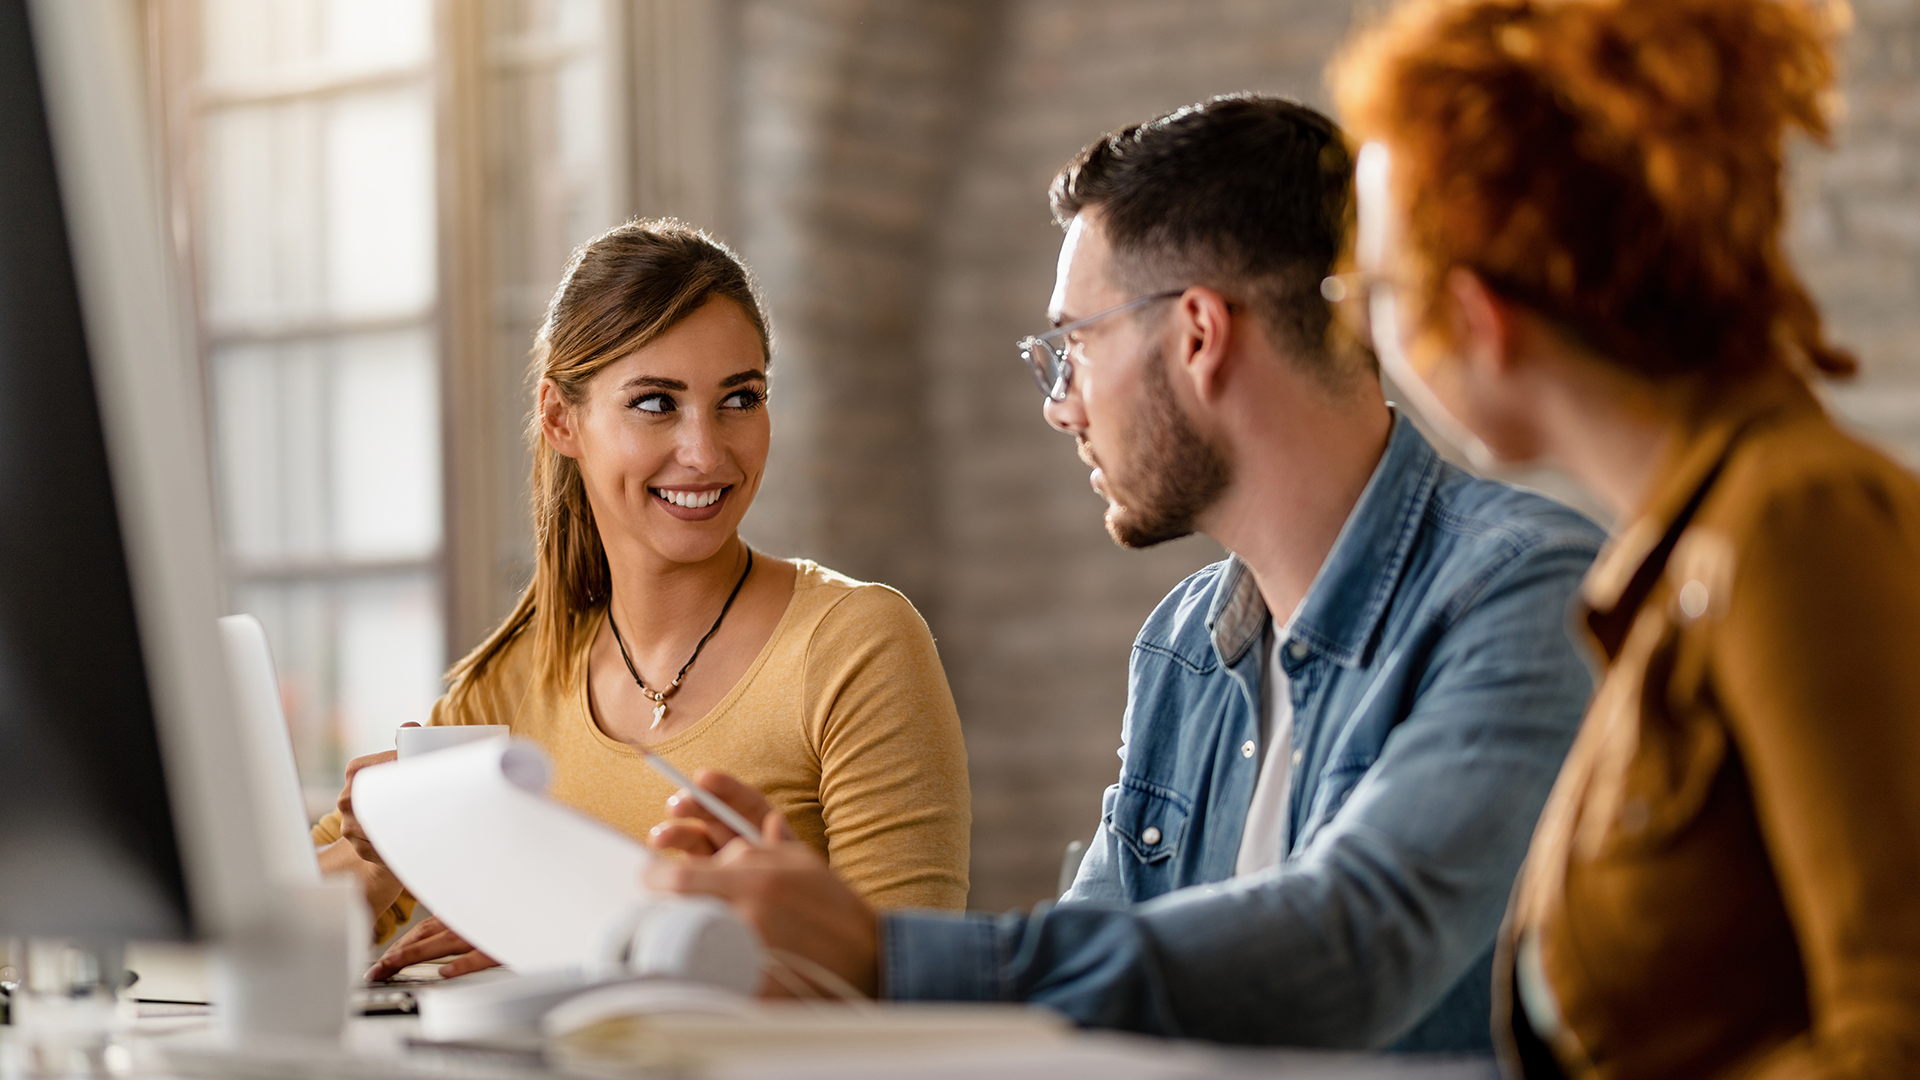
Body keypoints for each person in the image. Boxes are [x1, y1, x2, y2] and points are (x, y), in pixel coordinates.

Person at [645, 96, 1604, 1050]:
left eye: (1074, 346)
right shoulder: (1185, 643)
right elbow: (1092, 981)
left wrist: (883, 955)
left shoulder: (1528, 592)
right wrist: (813, 954)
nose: (1061, 407)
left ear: (1197, 335)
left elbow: (1360, 945)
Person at [1331, 0, 1920, 1075]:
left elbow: (1899, 1029)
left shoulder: (1796, 523)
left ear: (1477, 316)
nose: (1361, 327)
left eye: (1371, 291)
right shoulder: (1686, 557)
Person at [311, 220, 972, 978]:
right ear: (563, 419)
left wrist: (563, 946)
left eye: (740, 398)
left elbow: (912, 986)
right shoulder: (510, 685)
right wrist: (393, 846)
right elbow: (283, 922)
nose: (707, 452)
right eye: (657, 403)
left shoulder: (856, 644)